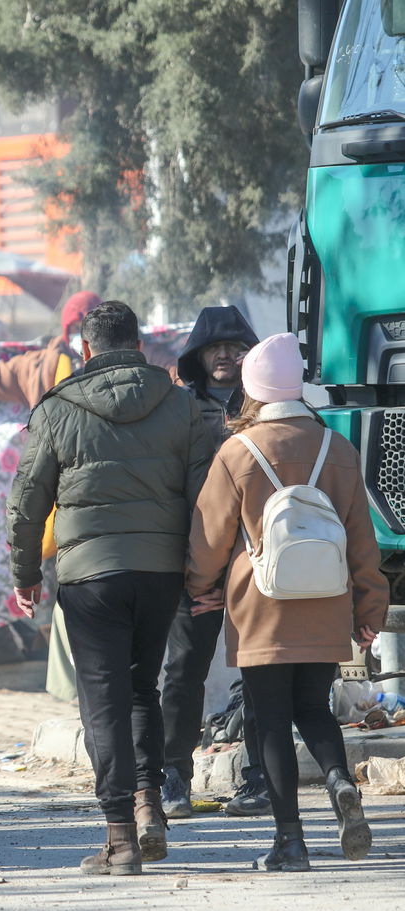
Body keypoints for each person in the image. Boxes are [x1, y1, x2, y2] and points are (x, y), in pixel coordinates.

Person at [6, 300, 214, 876]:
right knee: (142, 688)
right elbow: (206, 503)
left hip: (90, 577)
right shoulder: (181, 406)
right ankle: (150, 803)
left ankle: (120, 840)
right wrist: (202, 576)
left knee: (103, 701)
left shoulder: (58, 407)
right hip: (162, 574)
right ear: (140, 346)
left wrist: (24, 574)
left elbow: (26, 502)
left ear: (87, 350)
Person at [185, 332, 384, 871]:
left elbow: (209, 539)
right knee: (313, 710)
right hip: (326, 602)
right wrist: (369, 613)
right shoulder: (336, 448)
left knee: (269, 718)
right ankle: (341, 781)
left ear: (251, 388)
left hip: (260, 608)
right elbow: (362, 542)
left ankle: (290, 843)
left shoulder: (237, 452)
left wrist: (200, 588)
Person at [160, 305, 268, 821]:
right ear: (198, 356)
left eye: (236, 346)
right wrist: (194, 568)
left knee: (261, 672)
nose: (225, 355)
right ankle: (173, 778)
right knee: (183, 671)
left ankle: (260, 777)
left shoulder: (271, 405)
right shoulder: (178, 412)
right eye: (214, 348)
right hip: (195, 565)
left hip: (260, 563)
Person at [0, 291, 102, 408]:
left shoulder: (120, 364)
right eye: (75, 328)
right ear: (66, 330)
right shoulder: (38, 367)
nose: (82, 336)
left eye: (89, 328)